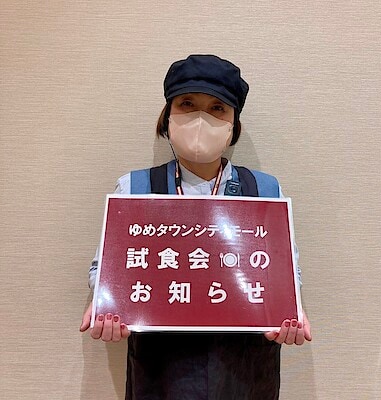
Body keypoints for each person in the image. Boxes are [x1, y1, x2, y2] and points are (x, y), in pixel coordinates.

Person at [80, 54, 312, 400]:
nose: (201, 119)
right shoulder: (134, 188)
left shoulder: (264, 190)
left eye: (217, 108)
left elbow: (285, 272)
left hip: (244, 364)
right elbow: (104, 269)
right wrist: (107, 302)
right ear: (168, 116)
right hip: (162, 365)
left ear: (233, 124)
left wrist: (289, 312)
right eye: (187, 104)